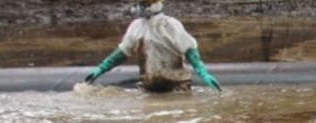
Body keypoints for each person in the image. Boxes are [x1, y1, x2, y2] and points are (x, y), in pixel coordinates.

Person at [84, 0, 221, 92]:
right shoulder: (136, 27)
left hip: (177, 87)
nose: (139, 7)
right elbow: (123, 51)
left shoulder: (169, 25)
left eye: (144, 4)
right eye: (140, 3)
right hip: (149, 86)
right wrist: (102, 68)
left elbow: (189, 49)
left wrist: (203, 73)